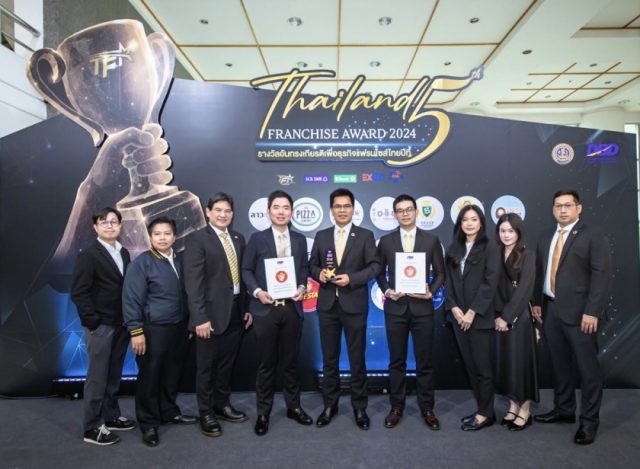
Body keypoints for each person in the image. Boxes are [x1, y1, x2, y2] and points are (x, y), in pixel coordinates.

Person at [532, 189, 612, 445]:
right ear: (553, 209)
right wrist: (537, 302)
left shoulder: (593, 235)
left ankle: (588, 422)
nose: (563, 210)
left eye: (568, 205)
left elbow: (601, 275)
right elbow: (539, 273)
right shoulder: (546, 236)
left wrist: (592, 311)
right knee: (560, 366)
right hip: (551, 310)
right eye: (558, 206)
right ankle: (564, 410)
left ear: (579, 208)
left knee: (588, 371)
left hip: (582, 314)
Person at [241, 190, 312, 436]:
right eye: (276, 207)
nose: (281, 212)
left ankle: (294, 407)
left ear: (292, 212)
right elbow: (246, 270)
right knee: (266, 364)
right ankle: (263, 413)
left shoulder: (300, 240)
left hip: (291, 310)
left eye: (286, 208)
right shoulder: (257, 239)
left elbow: (303, 269)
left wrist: (302, 287)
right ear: (269, 211)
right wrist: (257, 292)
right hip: (265, 310)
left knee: (290, 363)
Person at [122, 217, 197, 447]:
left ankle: (169, 411)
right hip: (153, 329)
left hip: (180, 327)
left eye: (167, 233)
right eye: (157, 234)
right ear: (150, 237)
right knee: (150, 376)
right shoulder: (141, 263)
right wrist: (136, 331)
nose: (162, 238)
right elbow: (131, 299)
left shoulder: (182, 260)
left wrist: (190, 323)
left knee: (172, 373)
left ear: (175, 237)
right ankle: (148, 423)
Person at [309, 188, 380, 430]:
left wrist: (352, 278)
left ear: (353, 208)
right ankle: (330, 405)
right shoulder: (321, 236)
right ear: (331, 210)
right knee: (329, 360)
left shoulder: (365, 235)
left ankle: (360, 408)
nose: (342, 210)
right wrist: (318, 273)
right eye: (337, 206)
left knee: (357, 359)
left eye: (346, 206)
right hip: (327, 306)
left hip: (354, 305)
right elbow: (312, 264)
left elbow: (374, 267)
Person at [183, 193, 252, 438]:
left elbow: (242, 277)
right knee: (206, 367)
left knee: (226, 365)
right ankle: (206, 412)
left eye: (227, 211)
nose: (223, 215)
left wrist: (246, 308)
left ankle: (222, 405)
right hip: (209, 317)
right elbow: (193, 283)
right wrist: (199, 318)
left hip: (235, 312)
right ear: (208, 211)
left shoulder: (238, 238)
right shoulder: (197, 239)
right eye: (218, 210)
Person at [376, 194, 445, 430]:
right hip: (395, 309)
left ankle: (427, 408)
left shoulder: (431, 240)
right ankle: (396, 407)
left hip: (422, 309)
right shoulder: (386, 241)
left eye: (408, 209)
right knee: (396, 361)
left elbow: (441, 273)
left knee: (425, 362)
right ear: (394, 214)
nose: (405, 214)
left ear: (416, 212)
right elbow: (378, 272)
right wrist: (387, 290)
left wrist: (430, 292)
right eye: (400, 210)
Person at [70, 207, 136, 445]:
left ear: (120, 225)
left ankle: (111, 416)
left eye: (114, 221)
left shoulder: (124, 252)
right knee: (97, 377)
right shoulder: (89, 255)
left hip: (121, 323)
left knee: (113, 374)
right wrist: (93, 322)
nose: (109, 225)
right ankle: (92, 427)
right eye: (104, 222)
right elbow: (79, 292)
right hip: (101, 326)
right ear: (95, 226)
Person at [444, 204, 500, 431]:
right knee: (470, 366)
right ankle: (483, 410)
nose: (469, 223)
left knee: (483, 368)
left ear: (481, 223)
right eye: (465, 219)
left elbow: (490, 282)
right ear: (460, 223)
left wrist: (472, 312)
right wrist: (454, 308)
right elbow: (448, 281)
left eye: (474, 219)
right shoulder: (454, 248)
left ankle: (486, 413)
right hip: (459, 318)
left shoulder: (490, 247)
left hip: (479, 318)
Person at [493, 213, 539, 431]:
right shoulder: (495, 253)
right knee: (507, 364)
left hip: (519, 317)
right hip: (498, 315)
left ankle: (525, 409)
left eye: (511, 231)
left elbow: (525, 289)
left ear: (519, 232)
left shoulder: (528, 254)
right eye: (502, 230)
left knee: (522, 364)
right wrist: (497, 316)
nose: (506, 235)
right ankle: (513, 405)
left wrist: (507, 317)